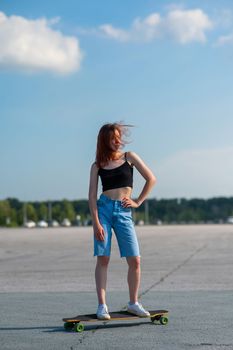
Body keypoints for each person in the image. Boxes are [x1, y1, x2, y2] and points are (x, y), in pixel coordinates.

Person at [88, 122, 156, 320]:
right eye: (112, 139)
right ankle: (102, 306)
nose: (117, 141)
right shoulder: (97, 165)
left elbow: (151, 178)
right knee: (103, 258)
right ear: (104, 141)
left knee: (135, 259)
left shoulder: (130, 157)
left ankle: (133, 303)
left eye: (118, 137)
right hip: (104, 211)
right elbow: (92, 196)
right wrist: (96, 223)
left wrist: (138, 201)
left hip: (124, 211)